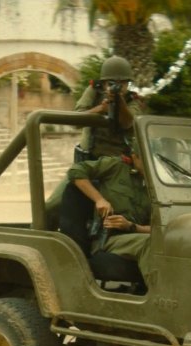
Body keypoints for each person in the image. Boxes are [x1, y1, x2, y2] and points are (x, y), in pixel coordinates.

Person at [45, 56, 145, 229]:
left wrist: (119, 101)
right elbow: (76, 120)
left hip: (115, 168)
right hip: (87, 163)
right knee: (51, 207)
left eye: (122, 83)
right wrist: (101, 108)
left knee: (120, 212)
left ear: (128, 84)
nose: (117, 86)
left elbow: (128, 122)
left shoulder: (132, 100)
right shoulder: (93, 92)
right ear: (104, 83)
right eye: (112, 83)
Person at [67, 140, 152, 285]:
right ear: (134, 156)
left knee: (167, 243)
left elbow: (161, 229)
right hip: (108, 239)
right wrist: (99, 199)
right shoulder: (116, 166)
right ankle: (158, 296)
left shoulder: (158, 183)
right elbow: (76, 171)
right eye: (146, 159)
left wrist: (131, 226)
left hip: (136, 234)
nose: (151, 165)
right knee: (150, 244)